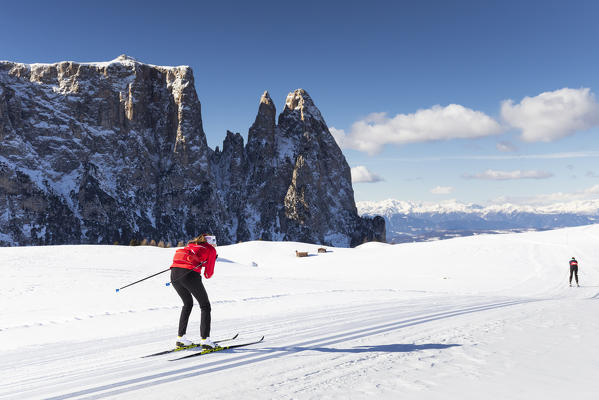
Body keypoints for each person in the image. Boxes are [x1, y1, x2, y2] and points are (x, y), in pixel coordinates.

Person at [170, 234, 218, 348]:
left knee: (187, 304)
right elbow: (208, 274)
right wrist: (210, 261)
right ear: (211, 242)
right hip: (189, 275)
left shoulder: (191, 246)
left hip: (174, 275)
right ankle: (205, 340)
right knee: (205, 306)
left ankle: (181, 338)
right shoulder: (211, 249)